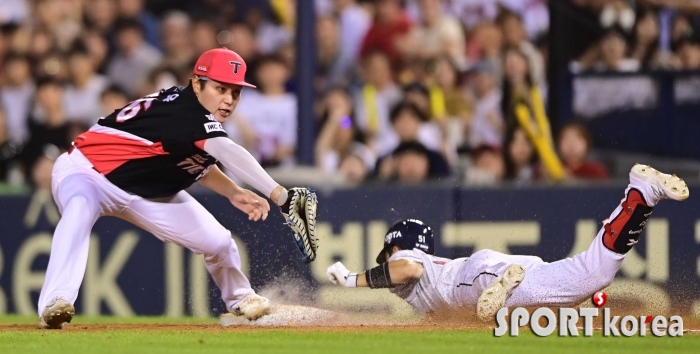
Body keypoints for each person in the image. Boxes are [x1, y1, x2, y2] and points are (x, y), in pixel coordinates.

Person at [38, 48, 306, 329]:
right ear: (196, 83)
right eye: (220, 88)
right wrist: (279, 194)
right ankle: (54, 302)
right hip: (87, 171)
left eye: (235, 92)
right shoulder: (184, 111)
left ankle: (240, 299)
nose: (228, 99)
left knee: (218, 242)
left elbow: (195, 161)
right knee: (78, 209)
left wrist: (232, 191)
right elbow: (228, 151)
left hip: (147, 189)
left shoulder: (195, 117)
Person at [327, 164, 689, 320]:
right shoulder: (425, 279)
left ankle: (500, 298)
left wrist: (351, 279)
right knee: (591, 277)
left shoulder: (406, 256)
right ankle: (640, 198)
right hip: (495, 273)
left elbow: (404, 267)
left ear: (394, 245)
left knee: (580, 283)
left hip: (471, 280)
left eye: (388, 251)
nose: (389, 258)